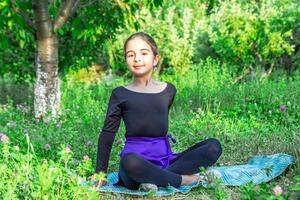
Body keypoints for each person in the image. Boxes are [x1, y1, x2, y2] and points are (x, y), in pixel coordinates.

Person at [91, 32, 222, 190]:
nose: (137, 58)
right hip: (135, 164)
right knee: (129, 161)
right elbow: (108, 133)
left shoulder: (168, 91)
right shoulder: (120, 94)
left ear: (155, 59)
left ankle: (155, 179)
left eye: (144, 53)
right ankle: (186, 180)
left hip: (166, 160)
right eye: (130, 55)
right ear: (126, 60)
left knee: (213, 146)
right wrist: (100, 172)